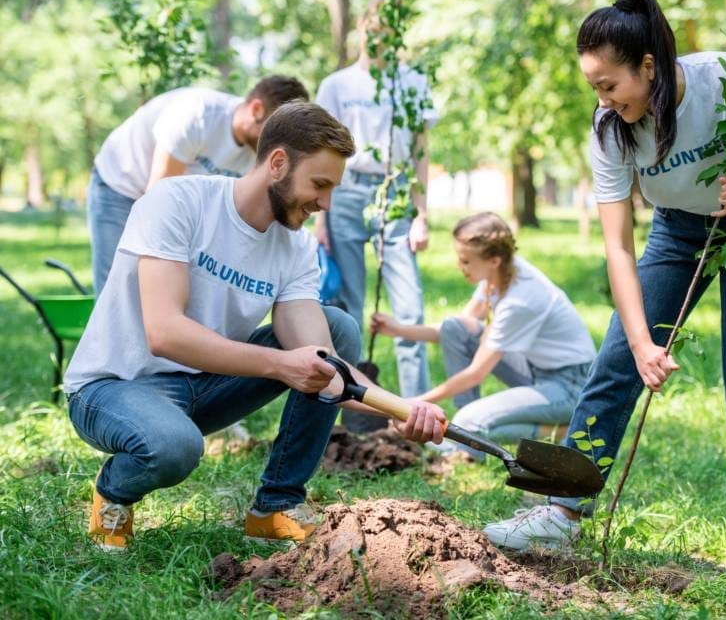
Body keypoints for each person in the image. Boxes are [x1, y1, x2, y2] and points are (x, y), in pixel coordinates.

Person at [482, 0, 726, 582]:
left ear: (647, 66)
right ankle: (560, 510)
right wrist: (641, 343)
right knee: (612, 365)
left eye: (608, 85)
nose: (602, 100)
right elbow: (618, 248)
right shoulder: (610, 129)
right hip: (677, 231)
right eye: (594, 88)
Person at [63, 101, 446, 551]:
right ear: (278, 163)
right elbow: (164, 332)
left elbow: (326, 364)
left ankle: (275, 507)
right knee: (174, 447)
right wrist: (281, 365)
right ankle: (113, 494)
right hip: (113, 388)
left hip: (204, 388)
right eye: (319, 184)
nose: (324, 203)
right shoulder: (179, 200)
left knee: (337, 326)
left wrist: (400, 410)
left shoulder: (296, 248)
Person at [371, 212, 596, 454]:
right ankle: (463, 436)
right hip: (535, 370)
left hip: (571, 386)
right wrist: (398, 330)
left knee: (472, 422)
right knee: (454, 328)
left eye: (466, 261)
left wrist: (414, 404)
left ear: (494, 260)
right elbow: (457, 327)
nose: (460, 266)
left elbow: (475, 374)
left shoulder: (520, 300)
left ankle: (561, 430)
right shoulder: (498, 275)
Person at [314, 0, 437, 426]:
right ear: (363, 28)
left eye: (392, 29)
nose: (382, 37)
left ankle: (417, 413)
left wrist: (422, 212)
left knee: (409, 309)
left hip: (396, 192)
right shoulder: (338, 85)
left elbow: (421, 150)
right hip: (346, 192)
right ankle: (351, 411)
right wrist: (320, 218)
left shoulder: (414, 82)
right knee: (347, 307)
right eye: (376, 27)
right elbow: (320, 152)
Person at [88, 75, 309, 295]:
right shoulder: (198, 114)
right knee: (119, 284)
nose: (279, 145)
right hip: (120, 183)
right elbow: (157, 199)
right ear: (256, 109)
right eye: (276, 133)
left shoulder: (262, 152)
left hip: (167, 197)